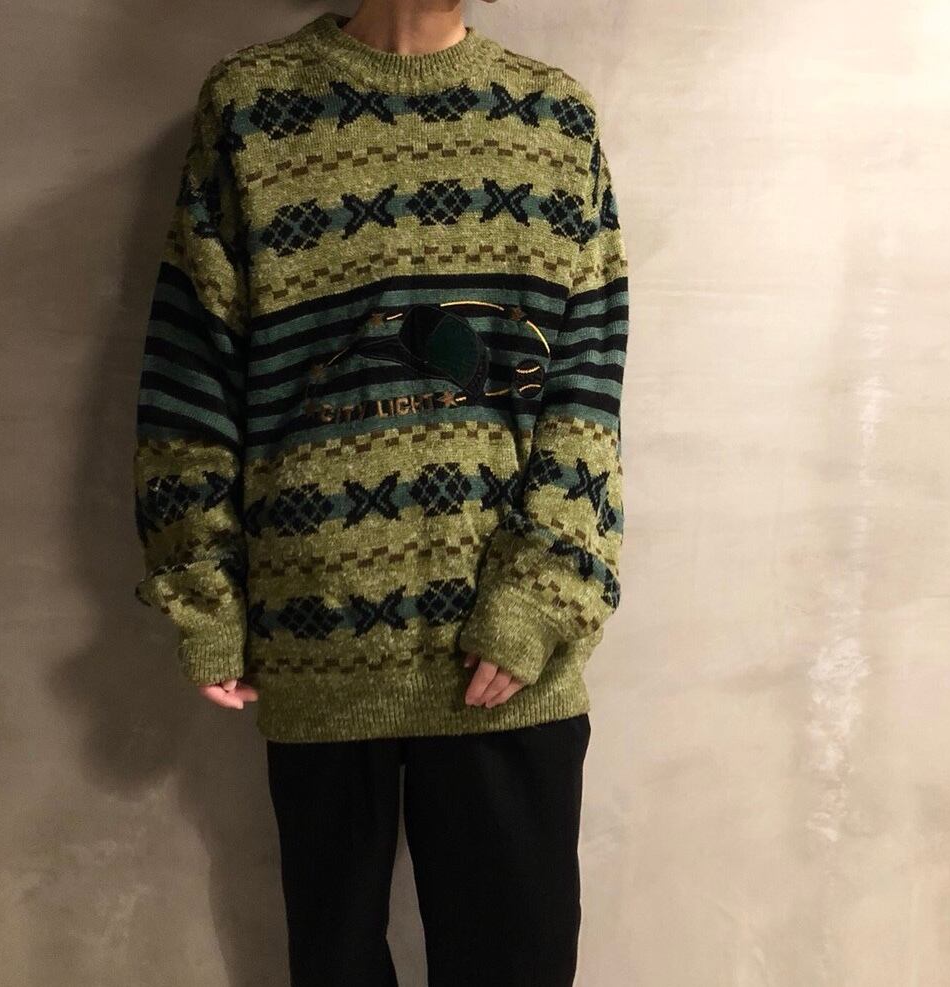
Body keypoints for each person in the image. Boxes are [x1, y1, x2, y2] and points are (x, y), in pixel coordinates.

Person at [131, 2, 628, 984]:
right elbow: (191, 373)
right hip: (315, 640)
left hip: (507, 662)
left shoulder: (552, 118)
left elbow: (587, 393)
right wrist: (204, 593)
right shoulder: (251, 107)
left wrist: (538, 597)